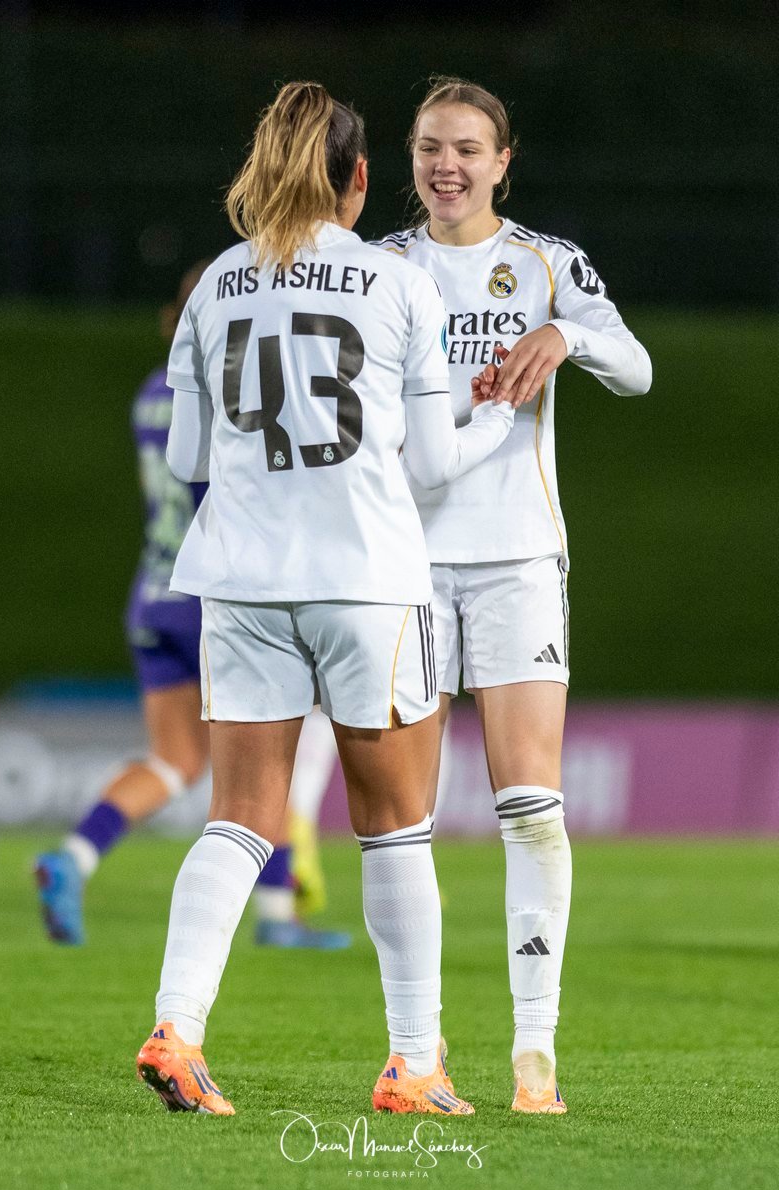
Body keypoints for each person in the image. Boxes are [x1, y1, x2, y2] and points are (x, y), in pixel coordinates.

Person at [135, 80, 517, 1116]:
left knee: (238, 820)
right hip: (365, 581)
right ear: (358, 178)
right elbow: (431, 464)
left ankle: (177, 1028)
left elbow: (188, 456)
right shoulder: (397, 284)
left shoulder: (216, 284)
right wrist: (497, 416)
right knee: (393, 828)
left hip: (242, 582)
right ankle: (413, 1064)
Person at [374, 77, 652, 1114]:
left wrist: (564, 337)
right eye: (428, 147)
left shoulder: (545, 265)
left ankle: (534, 1049)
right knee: (401, 821)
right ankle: (414, 1052)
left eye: (465, 149)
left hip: (516, 561)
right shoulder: (380, 267)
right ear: (409, 158)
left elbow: (637, 368)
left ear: (502, 161)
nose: (444, 166)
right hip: (400, 565)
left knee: (530, 806)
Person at [34, 267, 348, 951]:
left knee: (174, 760)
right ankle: (276, 913)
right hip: (215, 596)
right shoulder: (233, 392)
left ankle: (73, 857)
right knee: (271, 754)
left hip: (153, 594)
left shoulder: (152, 392)